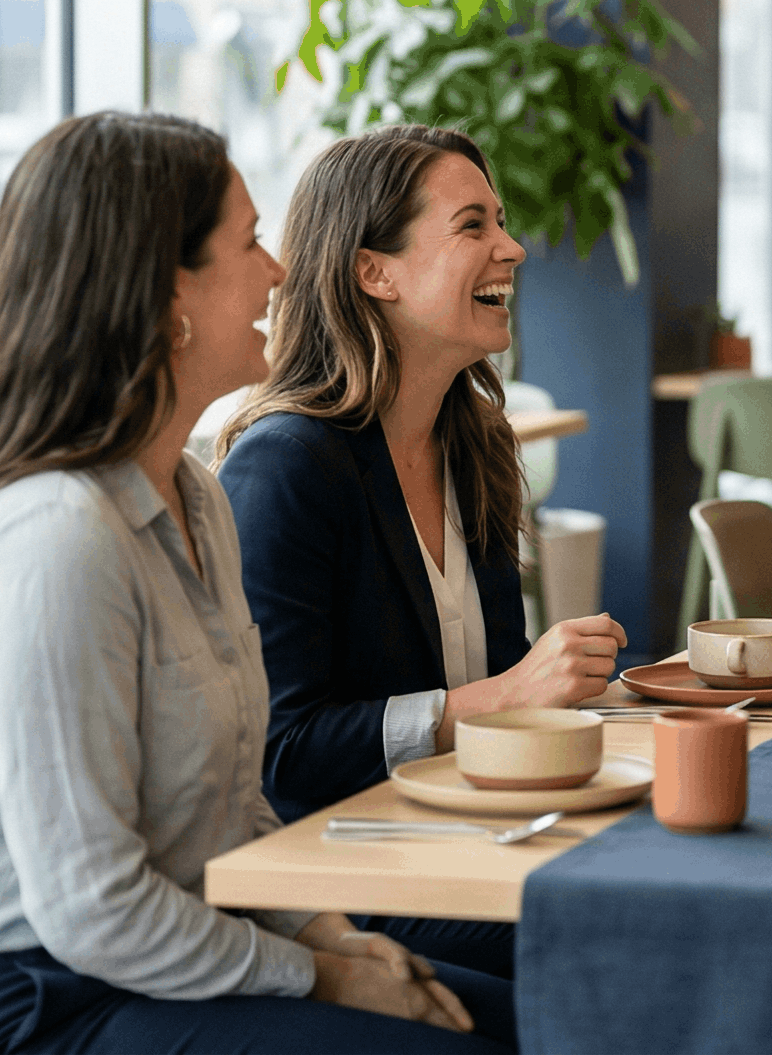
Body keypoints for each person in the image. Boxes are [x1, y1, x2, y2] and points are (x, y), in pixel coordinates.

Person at [0, 111, 511, 1054]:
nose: (281, 272)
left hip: (169, 953)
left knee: (546, 1021)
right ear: (167, 293)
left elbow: (232, 809)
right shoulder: (57, 540)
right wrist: (322, 974)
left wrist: (335, 939)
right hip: (29, 1003)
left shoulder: (196, 500)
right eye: (248, 243)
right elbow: (91, 909)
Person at [218, 125, 628, 980]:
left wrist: (582, 696)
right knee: (620, 950)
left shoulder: (473, 443)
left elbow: (506, 688)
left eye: (501, 222)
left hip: (470, 840)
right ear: (376, 272)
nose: (512, 248)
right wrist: (502, 698)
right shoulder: (285, 466)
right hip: (344, 881)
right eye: (473, 225)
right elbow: (281, 753)